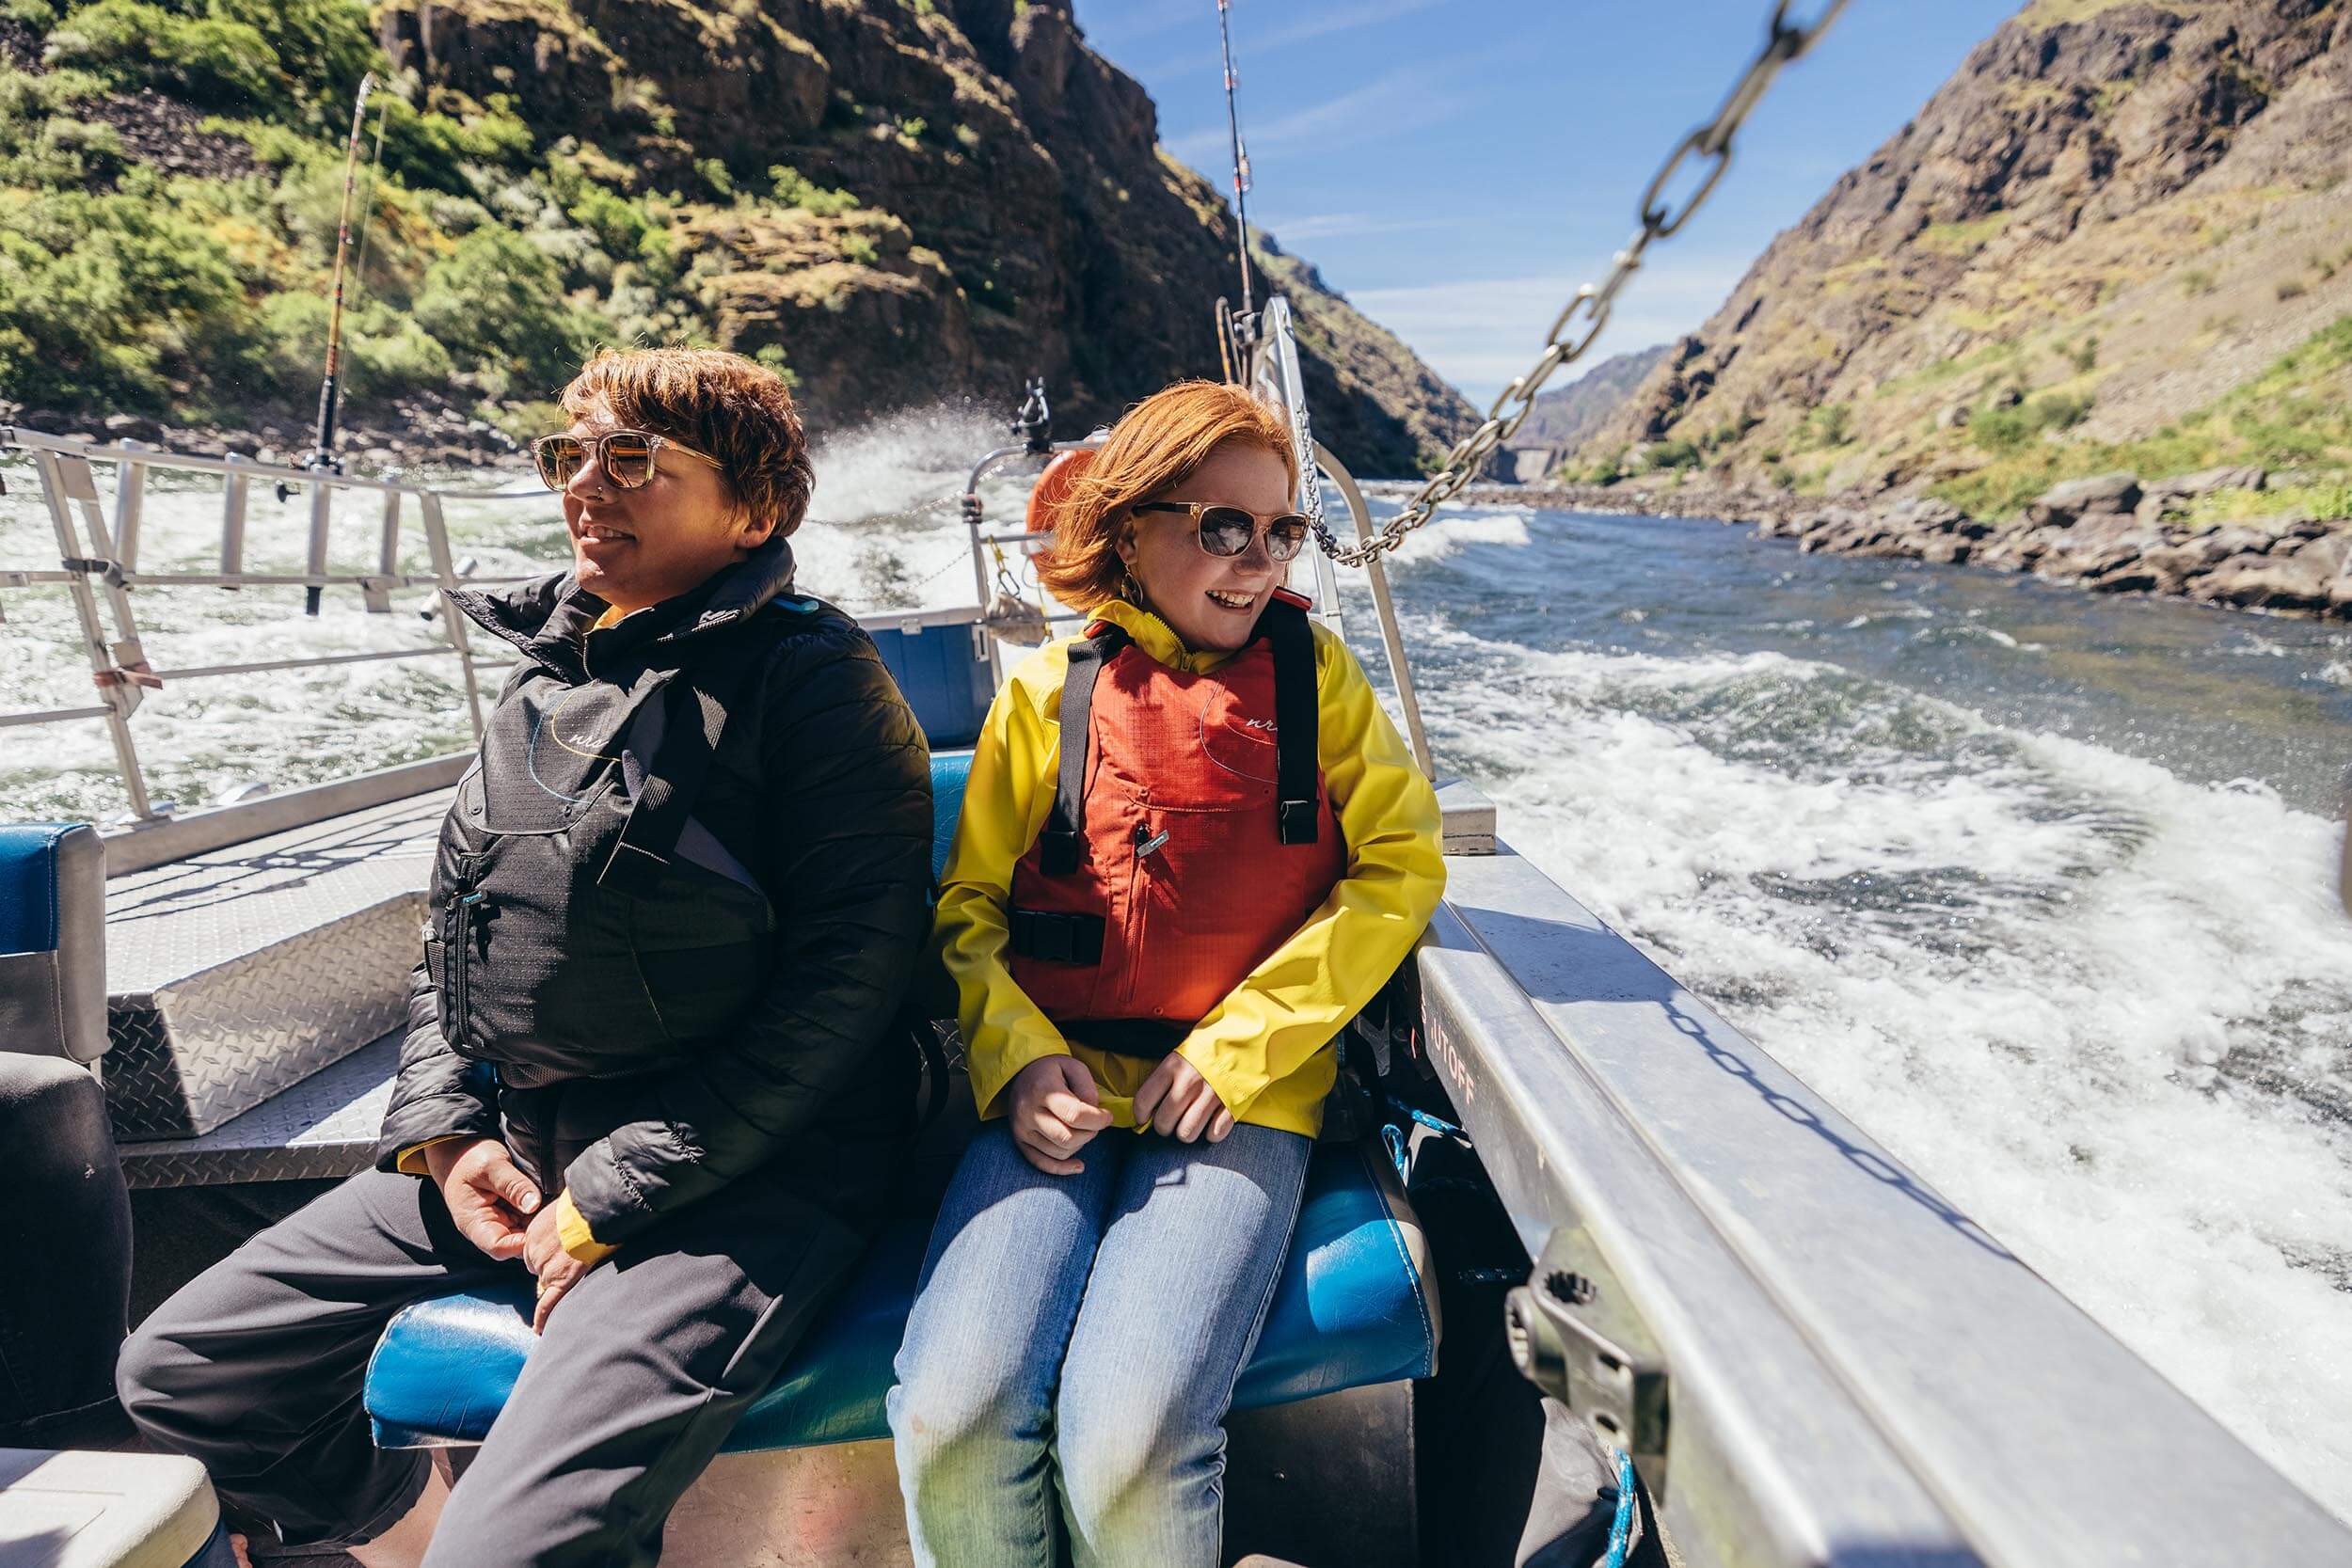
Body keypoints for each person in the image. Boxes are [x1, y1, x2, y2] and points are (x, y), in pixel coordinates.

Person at [116, 347, 934, 1567]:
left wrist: (617, 1192)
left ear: (753, 508)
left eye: (633, 458)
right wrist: (447, 1134)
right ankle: (404, 1524)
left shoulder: (815, 683)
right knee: (182, 1374)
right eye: (570, 455)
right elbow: (457, 931)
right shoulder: (551, 668)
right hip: (528, 1141)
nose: (586, 485)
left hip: (746, 1179)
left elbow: (850, 986)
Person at [887, 380, 1445, 1568]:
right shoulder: (1044, 694)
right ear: (1131, 528)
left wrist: (1240, 1046)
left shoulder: (1319, 677)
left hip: (1240, 1099)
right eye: (1222, 526)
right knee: (950, 1415)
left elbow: (1401, 865)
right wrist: (1017, 1055)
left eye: (1282, 529)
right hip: (1056, 1093)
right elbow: (971, 909)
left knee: (1131, 1438)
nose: (1257, 561)